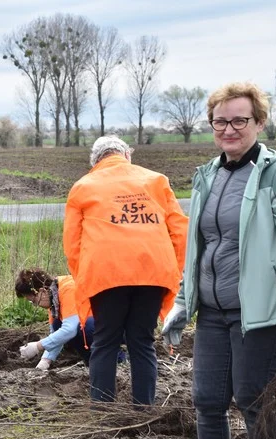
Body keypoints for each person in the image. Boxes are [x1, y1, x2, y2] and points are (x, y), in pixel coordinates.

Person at [160, 82, 276, 439]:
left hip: (263, 312)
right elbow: (200, 246)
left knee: (254, 398)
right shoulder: (208, 174)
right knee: (207, 400)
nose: (229, 129)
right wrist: (182, 299)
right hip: (213, 311)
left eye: (239, 120)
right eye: (220, 121)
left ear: (259, 122)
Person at [63, 136, 188, 406]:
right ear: (127, 156)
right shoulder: (157, 181)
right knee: (142, 341)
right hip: (153, 273)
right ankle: (143, 409)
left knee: (105, 342)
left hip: (105, 276)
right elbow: (181, 232)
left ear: (95, 162)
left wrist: (83, 280)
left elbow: (73, 245)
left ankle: (104, 410)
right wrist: (173, 272)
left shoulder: (83, 186)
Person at [15, 268, 127, 370]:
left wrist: (37, 346)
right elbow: (56, 335)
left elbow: (70, 330)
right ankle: (92, 365)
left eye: (33, 301)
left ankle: (117, 360)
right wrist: (44, 363)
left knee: (83, 327)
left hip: (120, 325)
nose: (35, 305)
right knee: (58, 325)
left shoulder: (69, 288)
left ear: (42, 291)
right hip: (103, 326)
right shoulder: (54, 299)